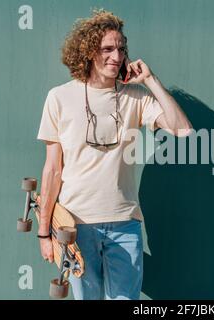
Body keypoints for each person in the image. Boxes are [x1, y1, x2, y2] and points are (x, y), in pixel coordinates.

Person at [36, 8, 192, 300]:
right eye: (107, 49)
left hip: (125, 224)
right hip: (75, 226)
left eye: (121, 49)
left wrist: (150, 80)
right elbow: (52, 170)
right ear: (87, 52)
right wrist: (44, 233)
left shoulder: (136, 97)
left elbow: (182, 129)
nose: (116, 56)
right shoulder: (59, 97)